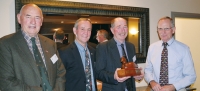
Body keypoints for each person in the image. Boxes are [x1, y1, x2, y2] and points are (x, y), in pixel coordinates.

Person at [0, 4, 66, 91]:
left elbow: (60, 72)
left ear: (41, 21)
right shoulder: (6, 44)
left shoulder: (51, 44)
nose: (33, 22)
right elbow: (6, 81)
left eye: (37, 17)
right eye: (28, 16)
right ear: (19, 18)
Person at [144, 16, 196, 91]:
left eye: (166, 28)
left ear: (173, 30)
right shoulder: (152, 48)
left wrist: (173, 86)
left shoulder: (184, 49)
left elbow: (191, 76)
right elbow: (148, 71)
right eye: (160, 29)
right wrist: (152, 82)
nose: (163, 32)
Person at [95, 17, 144, 91]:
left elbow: (133, 68)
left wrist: (138, 75)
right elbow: (98, 73)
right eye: (119, 27)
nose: (123, 30)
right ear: (112, 30)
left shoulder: (131, 47)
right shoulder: (103, 47)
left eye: (125, 27)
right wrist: (114, 76)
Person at [58, 18, 97, 91]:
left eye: (89, 30)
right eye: (82, 29)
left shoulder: (94, 51)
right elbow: (59, 79)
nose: (86, 32)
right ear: (75, 30)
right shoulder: (64, 52)